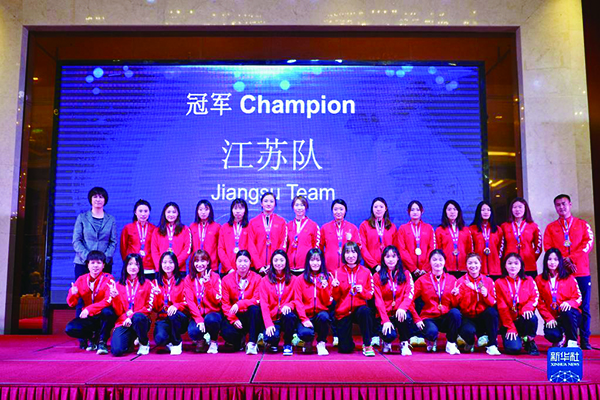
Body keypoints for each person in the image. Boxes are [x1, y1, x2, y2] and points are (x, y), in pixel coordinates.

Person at [543, 194, 594, 350]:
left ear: (570, 204)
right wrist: (562, 262)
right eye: (558, 205)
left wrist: (571, 258)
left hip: (581, 271)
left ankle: (585, 339)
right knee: (564, 307)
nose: (561, 207)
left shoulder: (582, 224)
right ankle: (566, 337)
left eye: (564, 204)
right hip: (562, 274)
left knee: (584, 307)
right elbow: (548, 248)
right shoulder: (551, 228)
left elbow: (588, 243)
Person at [410, 249, 462, 355]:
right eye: (434, 260)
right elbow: (409, 299)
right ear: (429, 262)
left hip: (445, 317)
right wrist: (417, 318)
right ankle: (430, 339)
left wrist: (456, 295)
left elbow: (456, 304)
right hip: (429, 317)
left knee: (455, 313)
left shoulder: (452, 279)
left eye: (440, 260)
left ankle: (451, 343)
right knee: (431, 333)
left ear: (444, 262)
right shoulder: (422, 280)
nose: (437, 263)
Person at [65, 250, 116, 355]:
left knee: (108, 312)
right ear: (87, 265)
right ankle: (93, 337)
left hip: (102, 315)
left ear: (103, 265)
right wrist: (72, 294)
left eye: (98, 263)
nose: (95, 266)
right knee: (70, 328)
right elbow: (71, 303)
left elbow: (107, 301)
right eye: (92, 263)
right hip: (89, 317)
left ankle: (102, 342)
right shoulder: (81, 279)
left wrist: (89, 309)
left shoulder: (109, 279)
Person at [331, 241, 375, 356]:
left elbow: (370, 294)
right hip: (343, 311)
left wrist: (362, 291)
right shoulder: (337, 272)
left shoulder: (366, 272)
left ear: (358, 254)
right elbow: (335, 297)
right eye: (347, 252)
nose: (350, 256)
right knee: (345, 349)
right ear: (343, 255)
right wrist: (335, 288)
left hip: (359, 309)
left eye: (353, 252)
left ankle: (367, 344)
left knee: (365, 311)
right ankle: (348, 343)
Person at [535, 248, 582, 348]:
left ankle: (572, 341)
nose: (552, 262)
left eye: (556, 259)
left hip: (570, 315)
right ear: (545, 261)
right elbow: (539, 302)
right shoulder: (539, 279)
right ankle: (560, 337)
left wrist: (569, 303)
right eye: (549, 259)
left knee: (566, 311)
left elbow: (578, 297)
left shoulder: (569, 278)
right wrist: (549, 318)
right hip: (553, 318)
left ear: (560, 261)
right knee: (551, 334)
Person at [455, 253, 501, 355]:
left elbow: (493, 303)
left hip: (482, 317)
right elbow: (458, 305)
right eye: (470, 263)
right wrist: (463, 294)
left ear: (480, 264)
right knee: (468, 332)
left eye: (476, 263)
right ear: (466, 265)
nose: (473, 266)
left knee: (492, 312)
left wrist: (486, 295)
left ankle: (492, 345)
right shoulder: (460, 282)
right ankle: (470, 342)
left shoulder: (488, 281)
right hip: (467, 317)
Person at [495, 253, 540, 355]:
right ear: (505, 265)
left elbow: (535, 297)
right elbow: (502, 307)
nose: (513, 266)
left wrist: (527, 308)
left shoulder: (529, 280)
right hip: (508, 322)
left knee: (531, 317)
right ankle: (516, 339)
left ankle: (529, 341)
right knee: (514, 349)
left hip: (522, 319)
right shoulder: (499, 283)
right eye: (510, 263)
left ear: (521, 266)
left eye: (516, 263)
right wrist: (510, 327)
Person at [373, 245, 414, 356]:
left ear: (398, 258)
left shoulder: (406, 274)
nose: (390, 259)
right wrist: (385, 320)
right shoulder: (377, 276)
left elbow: (409, 294)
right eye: (387, 256)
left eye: (393, 256)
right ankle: (386, 341)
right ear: (383, 259)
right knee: (389, 335)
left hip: (399, 312)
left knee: (404, 316)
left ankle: (404, 343)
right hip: (385, 314)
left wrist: (402, 308)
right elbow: (378, 300)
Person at [110, 253, 154, 356]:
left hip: (140, 320)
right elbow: (117, 311)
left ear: (140, 267)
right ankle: (132, 339)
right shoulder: (118, 285)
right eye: (130, 264)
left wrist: (131, 316)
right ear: (125, 266)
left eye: (136, 264)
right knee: (117, 351)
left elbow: (148, 307)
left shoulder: (147, 284)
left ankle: (144, 343)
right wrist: (115, 298)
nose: (133, 267)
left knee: (138, 318)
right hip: (123, 321)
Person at [220, 250, 263, 355]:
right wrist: (233, 319)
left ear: (250, 263)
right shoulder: (226, 279)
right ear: (235, 263)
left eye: (245, 261)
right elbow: (225, 304)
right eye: (240, 261)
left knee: (255, 309)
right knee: (226, 332)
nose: (242, 264)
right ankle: (240, 340)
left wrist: (239, 304)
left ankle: (252, 342)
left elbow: (257, 299)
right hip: (235, 315)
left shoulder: (257, 278)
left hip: (250, 315)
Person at [294, 248, 332, 356]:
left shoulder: (327, 278)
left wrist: (324, 288)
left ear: (322, 262)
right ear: (308, 262)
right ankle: (308, 341)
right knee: (305, 333)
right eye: (312, 260)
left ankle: (321, 343)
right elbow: (298, 301)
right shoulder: (300, 279)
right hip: (306, 315)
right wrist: (304, 319)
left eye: (318, 260)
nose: (315, 263)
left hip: (320, 314)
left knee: (324, 317)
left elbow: (327, 303)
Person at [73, 187, 117, 278]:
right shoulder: (82, 217)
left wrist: (103, 259)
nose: (98, 199)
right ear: (90, 199)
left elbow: (113, 242)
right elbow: (76, 240)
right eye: (95, 197)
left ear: (105, 200)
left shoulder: (111, 219)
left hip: (104, 264)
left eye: (101, 197)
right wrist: (89, 258)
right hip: (83, 263)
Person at [259, 249, 298, 355]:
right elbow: (264, 304)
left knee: (289, 316)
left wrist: (289, 305)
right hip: (272, 318)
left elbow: (297, 300)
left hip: (286, 317)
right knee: (270, 337)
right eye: (276, 260)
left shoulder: (294, 279)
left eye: (281, 260)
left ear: (286, 262)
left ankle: (287, 343)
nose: (279, 263)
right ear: (271, 262)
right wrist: (268, 324)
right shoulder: (264, 280)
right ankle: (274, 343)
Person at [185, 250, 222, 354]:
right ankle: (201, 340)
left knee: (212, 320)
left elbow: (217, 300)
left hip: (212, 313)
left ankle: (213, 341)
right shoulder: (189, 279)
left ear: (208, 262)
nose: (199, 264)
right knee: (193, 331)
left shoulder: (215, 277)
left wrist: (208, 284)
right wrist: (199, 319)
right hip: (198, 314)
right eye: (196, 261)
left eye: (203, 261)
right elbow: (190, 302)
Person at [152, 251, 189, 355]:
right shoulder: (155, 283)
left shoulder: (183, 282)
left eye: (171, 262)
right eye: (164, 262)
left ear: (175, 264)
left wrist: (176, 306)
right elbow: (155, 308)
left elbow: (187, 302)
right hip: (163, 318)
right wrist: (156, 295)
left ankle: (176, 343)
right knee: (160, 340)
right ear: (160, 264)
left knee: (173, 314)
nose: (167, 265)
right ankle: (168, 341)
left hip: (179, 318)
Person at [500, 197, 542, 276]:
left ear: (525, 209)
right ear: (511, 209)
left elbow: (538, 248)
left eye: (520, 207)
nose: (517, 210)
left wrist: (531, 257)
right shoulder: (504, 226)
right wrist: (505, 261)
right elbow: (501, 247)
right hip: (510, 266)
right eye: (514, 207)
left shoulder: (533, 226)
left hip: (529, 266)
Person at [248, 192, 287, 275]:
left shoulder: (281, 222)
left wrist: (274, 263)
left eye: (271, 201)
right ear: (261, 204)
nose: (268, 204)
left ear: (275, 204)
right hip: (257, 268)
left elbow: (283, 244)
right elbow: (251, 245)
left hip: (276, 267)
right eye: (265, 201)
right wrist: (259, 266)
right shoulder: (253, 222)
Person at [395, 200, 435, 278]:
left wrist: (425, 268)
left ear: (422, 211)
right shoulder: (403, 229)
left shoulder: (429, 228)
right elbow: (402, 250)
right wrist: (413, 268)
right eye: (412, 210)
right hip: (408, 270)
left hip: (425, 271)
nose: (415, 212)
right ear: (408, 212)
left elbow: (432, 248)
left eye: (418, 209)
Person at [320, 199, 362, 272]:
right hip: (329, 268)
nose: (338, 212)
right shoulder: (325, 228)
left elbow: (358, 248)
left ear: (345, 211)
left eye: (341, 209)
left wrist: (350, 240)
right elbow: (320, 247)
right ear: (332, 211)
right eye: (335, 209)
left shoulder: (352, 228)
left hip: (347, 267)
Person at [151, 202, 191, 275]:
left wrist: (174, 264)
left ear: (178, 214)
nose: (171, 214)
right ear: (164, 213)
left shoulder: (185, 229)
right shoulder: (157, 231)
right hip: (161, 270)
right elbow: (154, 251)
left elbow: (187, 249)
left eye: (174, 212)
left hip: (179, 269)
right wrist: (162, 266)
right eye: (168, 212)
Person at [120, 200, 156, 279]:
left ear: (149, 212)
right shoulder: (127, 228)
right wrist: (128, 263)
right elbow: (123, 249)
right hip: (133, 267)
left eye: (146, 211)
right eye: (140, 211)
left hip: (149, 267)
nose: (143, 214)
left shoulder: (154, 229)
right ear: (135, 212)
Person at [359, 197, 397, 272]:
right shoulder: (364, 225)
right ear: (372, 209)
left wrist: (390, 263)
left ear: (385, 208)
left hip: (389, 267)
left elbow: (395, 248)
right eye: (375, 207)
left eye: (381, 207)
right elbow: (362, 248)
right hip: (370, 267)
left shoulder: (392, 227)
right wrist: (374, 265)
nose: (378, 209)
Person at [435, 200, 473, 275]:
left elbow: (470, 250)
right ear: (445, 212)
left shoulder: (466, 230)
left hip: (463, 269)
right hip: (446, 269)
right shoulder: (440, 230)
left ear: (458, 212)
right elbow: (438, 250)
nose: (452, 212)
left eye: (455, 209)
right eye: (449, 209)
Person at [286, 196, 320, 275]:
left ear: (306, 207)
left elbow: (316, 248)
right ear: (293, 207)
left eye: (302, 205)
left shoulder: (313, 226)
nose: (299, 208)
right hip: (290, 269)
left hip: (306, 268)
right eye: (297, 205)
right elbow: (285, 246)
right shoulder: (288, 226)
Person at [469, 201, 503, 277]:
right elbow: (471, 248)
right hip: (478, 269)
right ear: (478, 212)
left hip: (495, 269)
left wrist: (496, 258)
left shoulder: (498, 229)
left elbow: (500, 248)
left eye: (488, 210)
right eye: (483, 210)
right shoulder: (472, 229)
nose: (486, 212)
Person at [218, 198, 251, 275]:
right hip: (227, 270)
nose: (238, 211)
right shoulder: (224, 228)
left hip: (245, 270)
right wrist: (229, 268)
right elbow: (221, 249)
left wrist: (245, 266)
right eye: (235, 208)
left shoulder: (250, 227)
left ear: (245, 210)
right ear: (231, 210)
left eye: (241, 208)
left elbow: (252, 249)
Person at [189, 200, 221, 274]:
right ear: (197, 211)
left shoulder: (217, 227)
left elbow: (219, 247)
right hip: (196, 265)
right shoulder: (192, 227)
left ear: (210, 211)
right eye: (200, 209)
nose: (203, 212)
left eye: (206, 209)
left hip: (212, 265)